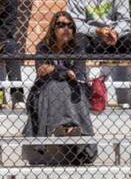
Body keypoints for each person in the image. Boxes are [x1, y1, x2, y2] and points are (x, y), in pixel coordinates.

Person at [23, 11, 96, 166]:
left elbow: (78, 74)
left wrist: (54, 70)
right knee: (54, 87)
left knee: (62, 86)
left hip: (73, 90)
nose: (66, 29)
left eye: (70, 26)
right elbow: (41, 71)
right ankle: (69, 127)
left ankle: (62, 127)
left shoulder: (77, 49)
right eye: (61, 25)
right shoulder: (43, 47)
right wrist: (64, 72)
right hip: (45, 90)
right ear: (53, 28)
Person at [68, 0, 131, 107]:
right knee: (77, 40)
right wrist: (96, 31)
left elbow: (125, 20)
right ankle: (79, 88)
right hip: (91, 37)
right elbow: (75, 23)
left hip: (115, 37)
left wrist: (115, 32)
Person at [0, 0, 24, 108]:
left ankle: (17, 97)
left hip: (3, 38)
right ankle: (0, 98)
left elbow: (10, 25)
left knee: (11, 46)